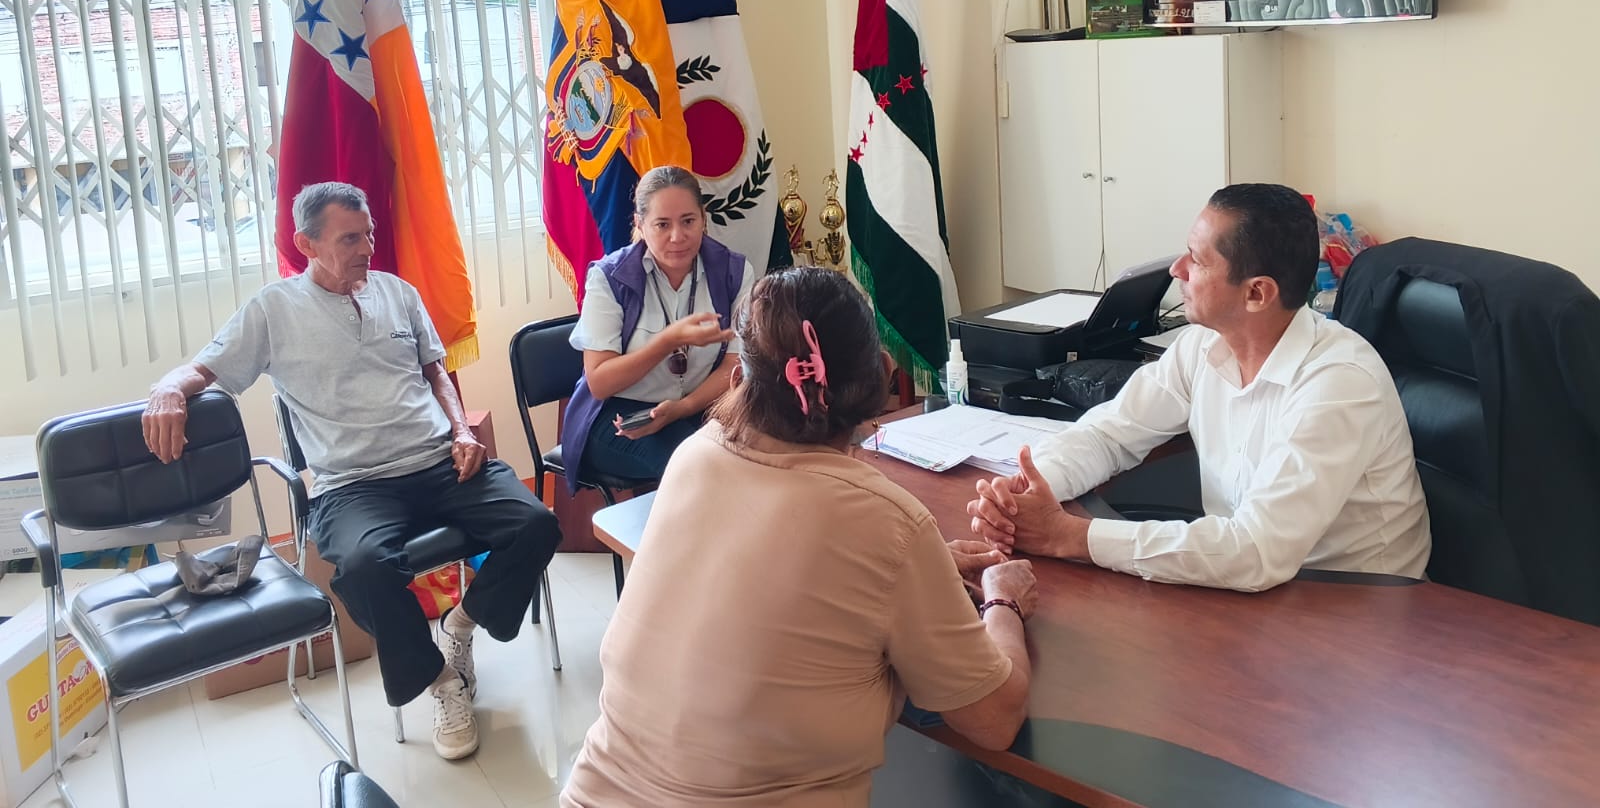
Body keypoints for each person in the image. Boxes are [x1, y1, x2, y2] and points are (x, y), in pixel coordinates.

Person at [563, 267, 1037, 808]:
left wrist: (921, 573)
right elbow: (994, 721)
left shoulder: (695, 454)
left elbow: (780, 572)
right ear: (882, 377)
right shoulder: (887, 521)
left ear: (738, 379)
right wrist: (1003, 599)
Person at [141, 181, 561, 760]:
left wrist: (462, 432)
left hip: (438, 460)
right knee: (364, 567)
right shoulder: (273, 309)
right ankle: (441, 681)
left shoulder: (397, 292)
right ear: (306, 244)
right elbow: (204, 369)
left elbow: (436, 373)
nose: (367, 247)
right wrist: (168, 390)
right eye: (349, 238)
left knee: (537, 523)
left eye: (369, 234)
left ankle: (461, 623)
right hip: (353, 485)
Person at [969, 183, 1431, 592]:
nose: (1177, 269)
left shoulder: (1339, 383)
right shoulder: (1201, 346)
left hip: (1356, 603)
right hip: (1247, 586)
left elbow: (1256, 549)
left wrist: (1068, 537)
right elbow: (1110, 434)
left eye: (1198, 260)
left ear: (1256, 293)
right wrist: (1029, 490)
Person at [564, 165, 754, 490]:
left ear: (703, 218)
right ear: (640, 224)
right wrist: (667, 341)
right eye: (662, 225)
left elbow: (735, 364)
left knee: (759, 451)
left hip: (700, 405)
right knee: (694, 466)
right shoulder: (609, 277)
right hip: (619, 414)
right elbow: (600, 382)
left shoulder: (733, 271)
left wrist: (684, 408)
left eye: (688, 221)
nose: (677, 236)